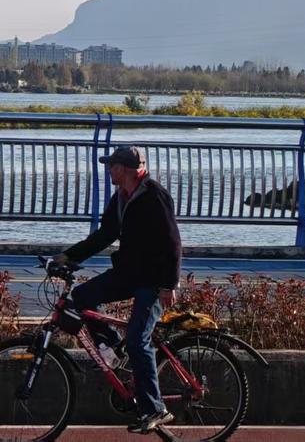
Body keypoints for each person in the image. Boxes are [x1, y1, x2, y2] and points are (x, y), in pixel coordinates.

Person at [54, 146, 182, 435]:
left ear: (123, 169)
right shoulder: (122, 198)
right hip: (128, 274)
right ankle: (112, 344)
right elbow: (104, 235)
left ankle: (155, 409)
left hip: (153, 281)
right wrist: (68, 257)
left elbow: (173, 243)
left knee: (138, 340)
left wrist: (169, 285)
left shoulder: (154, 196)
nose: (108, 170)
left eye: (111, 166)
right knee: (81, 298)